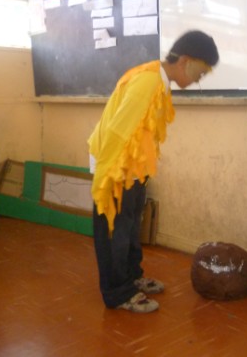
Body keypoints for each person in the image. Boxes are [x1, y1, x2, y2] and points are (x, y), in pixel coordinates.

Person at [89, 30, 219, 313]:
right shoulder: (148, 81)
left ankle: (132, 277)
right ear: (185, 61)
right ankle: (117, 293)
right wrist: (106, 180)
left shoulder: (158, 80)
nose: (199, 79)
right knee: (115, 230)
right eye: (200, 72)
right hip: (116, 168)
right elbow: (117, 132)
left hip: (133, 167)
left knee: (130, 226)